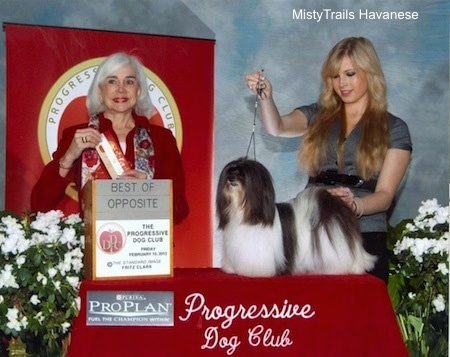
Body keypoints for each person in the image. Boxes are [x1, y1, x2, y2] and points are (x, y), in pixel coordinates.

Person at [245, 37, 412, 283]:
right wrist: (266, 98)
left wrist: (355, 205)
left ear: (370, 73)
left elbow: (385, 195)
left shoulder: (395, 128)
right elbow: (277, 127)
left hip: (361, 234)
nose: (342, 83)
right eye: (335, 76)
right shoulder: (317, 114)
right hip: (309, 233)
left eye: (350, 74)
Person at [31, 52, 189, 223]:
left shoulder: (162, 139)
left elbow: (180, 211)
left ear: (139, 90)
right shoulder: (76, 136)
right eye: (112, 81)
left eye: (129, 81)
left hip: (146, 245)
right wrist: (69, 156)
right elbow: (40, 205)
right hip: (94, 245)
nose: (121, 89)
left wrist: (150, 190)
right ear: (100, 91)